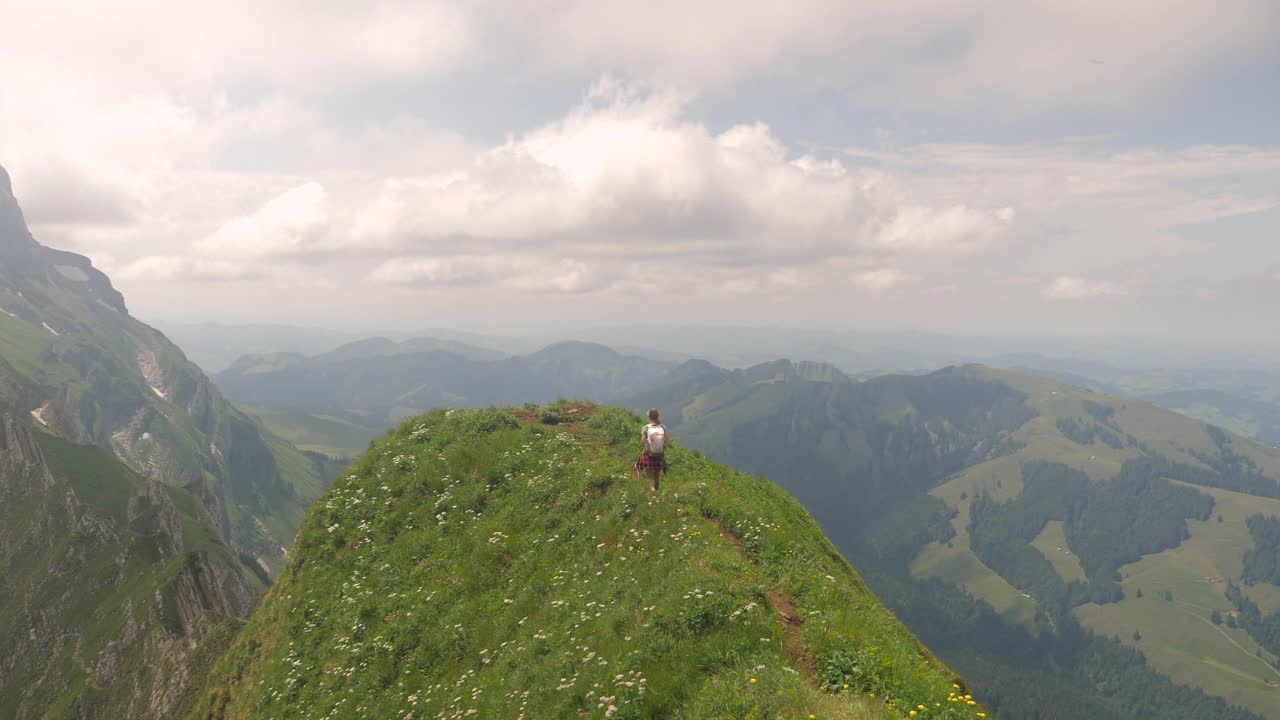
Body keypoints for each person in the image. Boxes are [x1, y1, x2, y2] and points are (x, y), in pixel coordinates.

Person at [635, 408, 668, 492]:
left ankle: (652, 491)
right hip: (660, 454)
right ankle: (656, 492)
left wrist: (649, 446)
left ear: (649, 417)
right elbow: (666, 441)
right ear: (658, 416)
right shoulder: (663, 427)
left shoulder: (645, 428)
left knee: (650, 475)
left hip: (648, 454)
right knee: (657, 475)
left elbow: (642, 441)